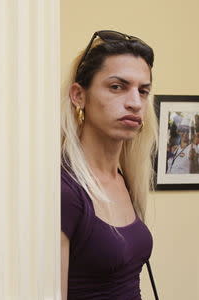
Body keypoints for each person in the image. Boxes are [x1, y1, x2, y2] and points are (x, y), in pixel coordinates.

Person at [60, 30, 158, 299]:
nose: (135, 103)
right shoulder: (65, 191)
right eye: (117, 87)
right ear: (79, 95)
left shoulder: (124, 177)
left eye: (143, 91)